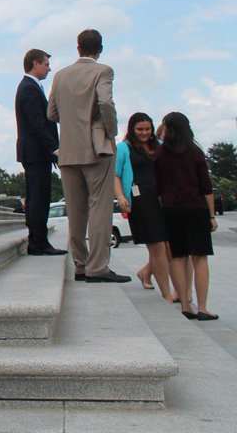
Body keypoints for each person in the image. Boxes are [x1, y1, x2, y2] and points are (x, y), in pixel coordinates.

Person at [47, 29, 126, 282]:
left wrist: (72, 120)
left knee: (75, 212)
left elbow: (51, 113)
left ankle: (80, 265)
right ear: (100, 49)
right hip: (97, 147)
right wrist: (110, 131)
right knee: (100, 209)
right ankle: (98, 267)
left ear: (78, 48)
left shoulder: (60, 75)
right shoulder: (103, 71)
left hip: (68, 149)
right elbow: (106, 103)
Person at [155, 112, 219, 321]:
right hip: (196, 209)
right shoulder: (195, 152)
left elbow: (158, 188)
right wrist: (211, 216)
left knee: (178, 257)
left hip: (171, 210)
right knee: (200, 258)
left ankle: (185, 305)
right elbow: (206, 187)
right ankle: (202, 307)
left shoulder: (159, 154)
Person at [114, 112, 172, 300]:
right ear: (132, 129)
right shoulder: (123, 148)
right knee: (157, 246)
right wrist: (120, 196)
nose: (144, 133)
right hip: (140, 200)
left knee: (170, 247)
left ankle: (146, 272)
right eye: (140, 129)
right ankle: (166, 293)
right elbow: (115, 175)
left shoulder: (160, 145)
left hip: (163, 198)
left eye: (147, 129)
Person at [15, 48, 65, 256]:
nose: (49, 69)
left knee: (38, 197)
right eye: (46, 64)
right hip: (36, 152)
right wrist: (54, 148)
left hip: (35, 152)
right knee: (39, 198)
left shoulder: (31, 87)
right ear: (35, 63)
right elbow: (37, 122)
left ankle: (37, 240)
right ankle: (38, 242)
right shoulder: (29, 88)